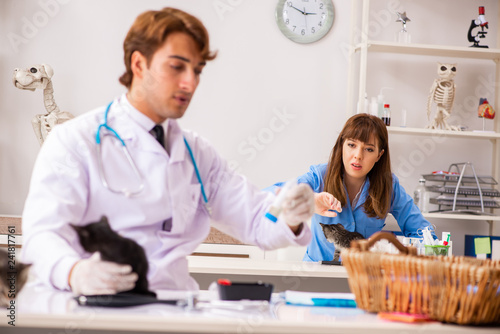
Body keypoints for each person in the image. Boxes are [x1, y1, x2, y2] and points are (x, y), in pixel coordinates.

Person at [21, 7, 314, 295]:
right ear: (139, 65)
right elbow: (41, 236)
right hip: (96, 308)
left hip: (174, 309)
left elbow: (257, 223)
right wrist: (72, 272)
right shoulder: (74, 140)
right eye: (177, 66)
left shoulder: (196, 153)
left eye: (197, 70)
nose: (191, 82)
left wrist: (289, 214)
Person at [268, 114, 436, 262]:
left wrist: (406, 252)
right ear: (342, 145)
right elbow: (269, 199)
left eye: (369, 149)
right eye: (351, 145)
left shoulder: (389, 186)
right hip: (315, 276)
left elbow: (424, 232)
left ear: (379, 155)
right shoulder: (319, 176)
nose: (358, 155)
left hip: (365, 278)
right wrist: (308, 200)